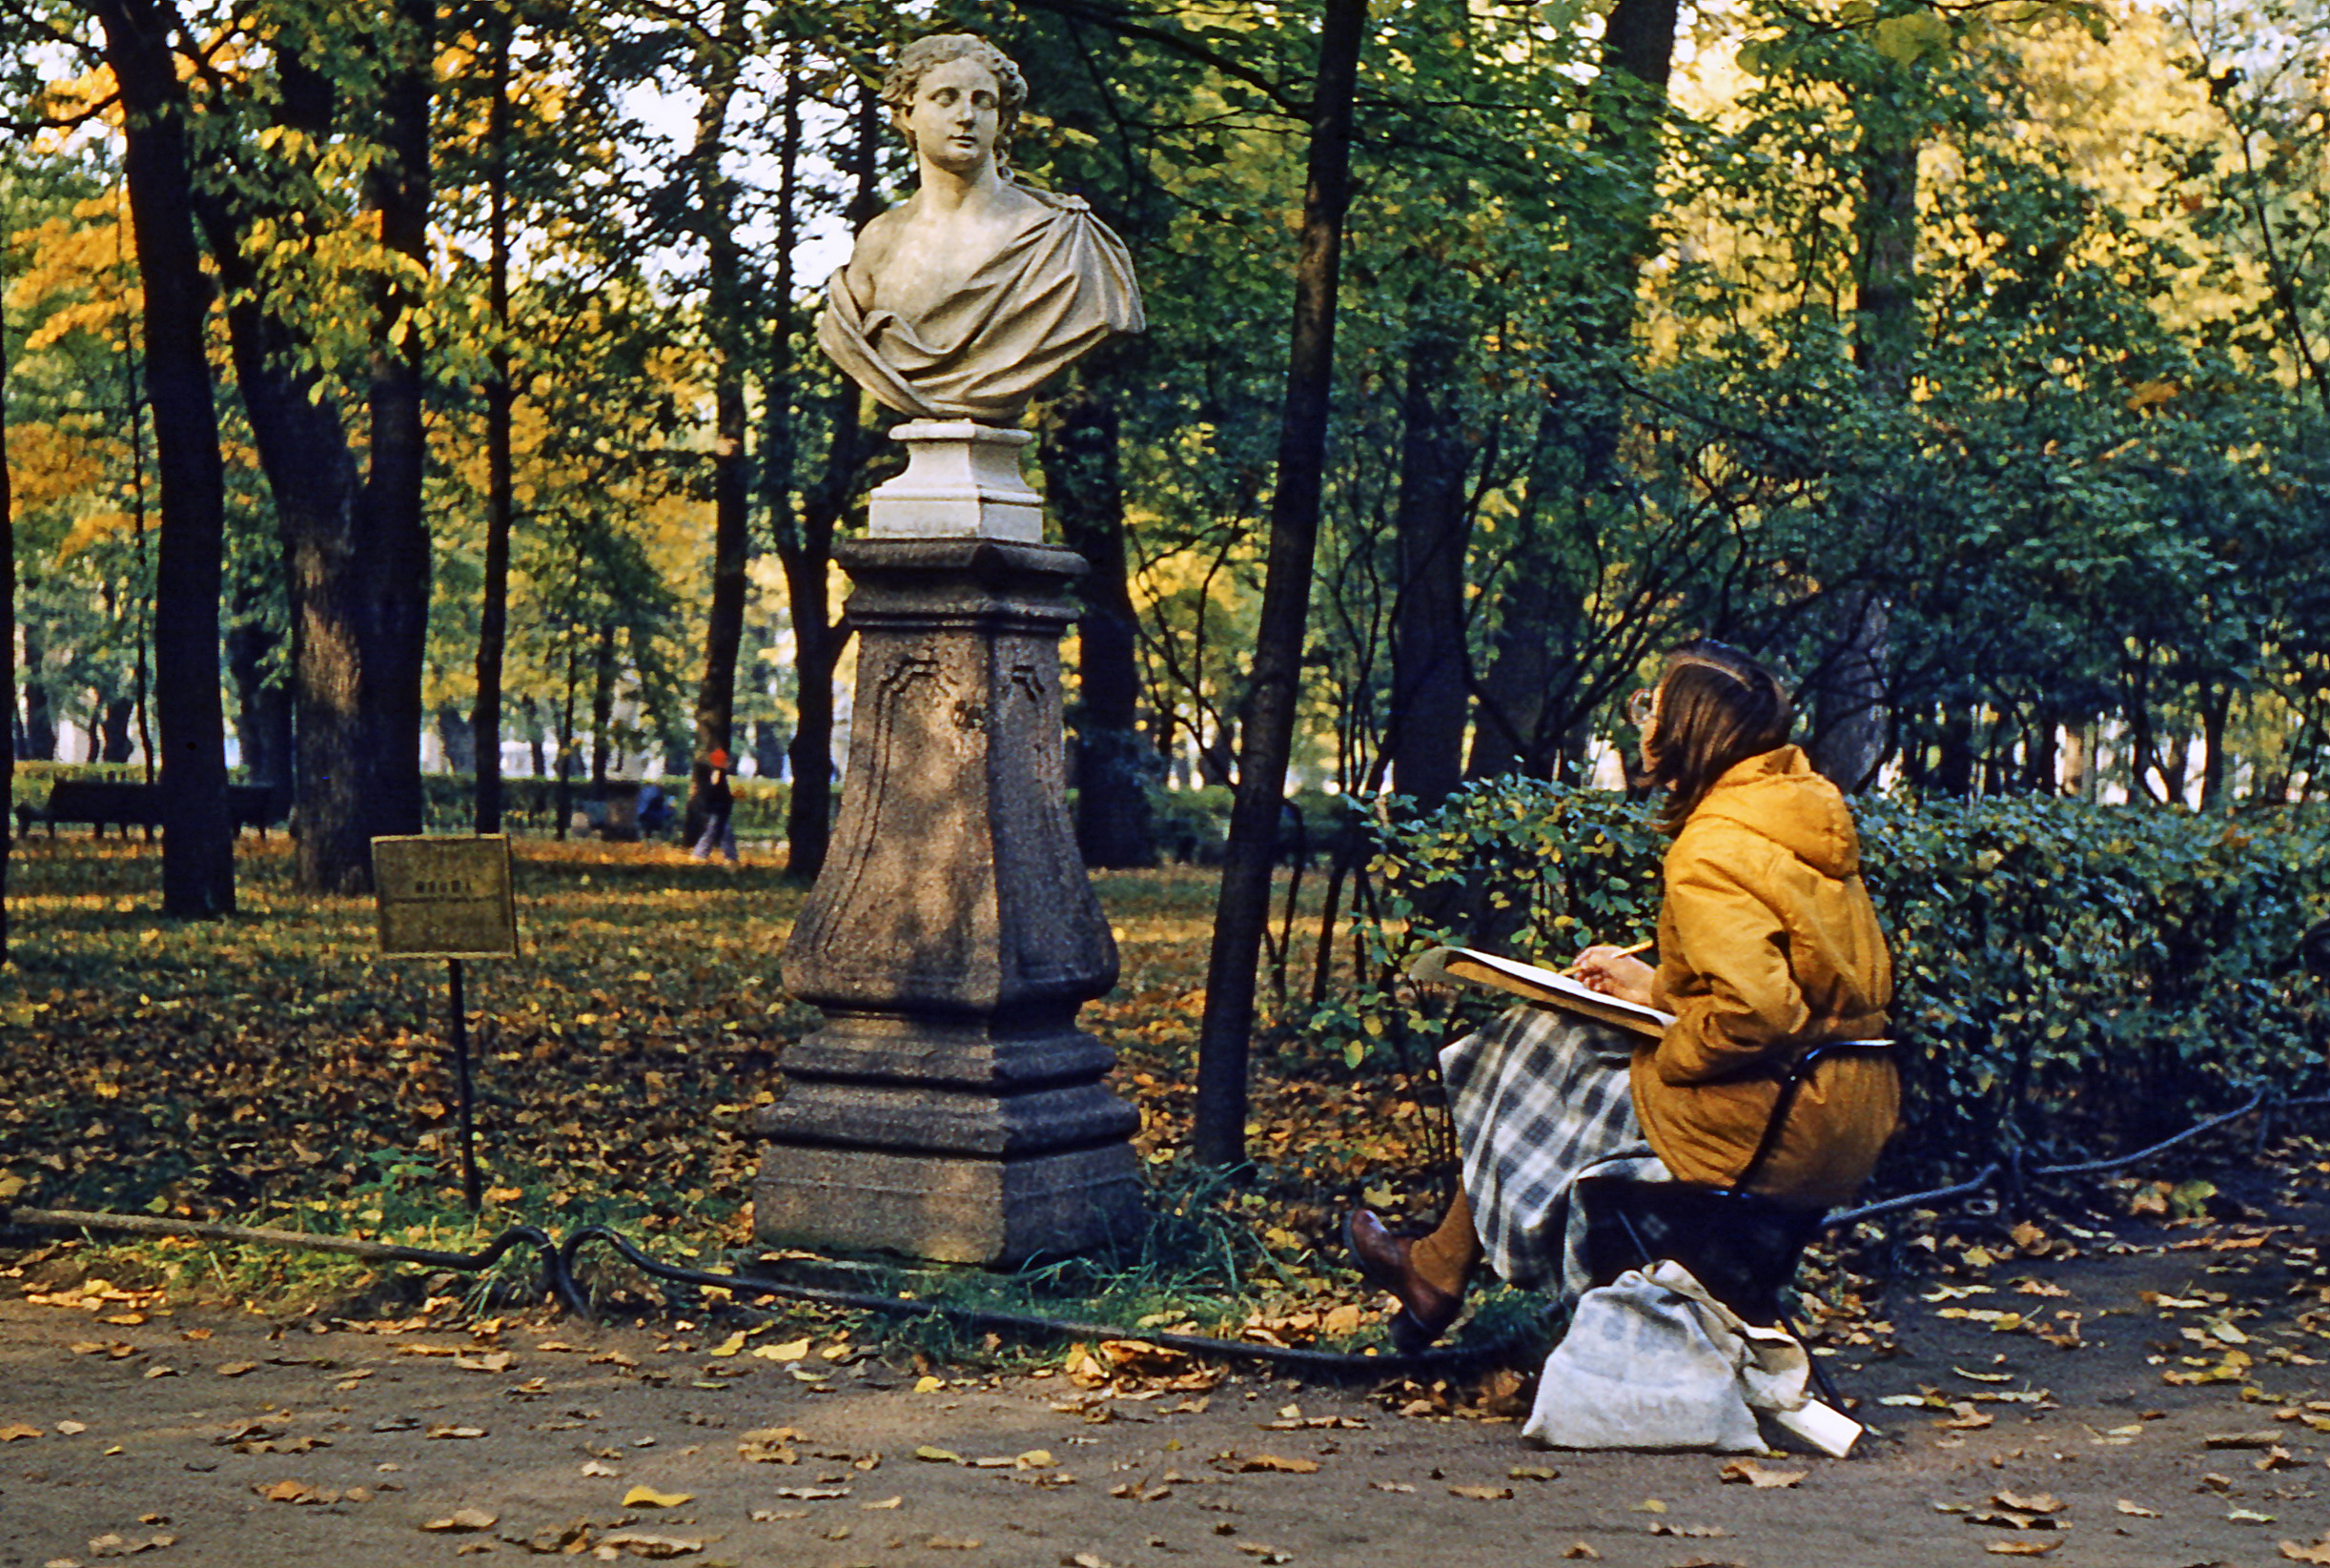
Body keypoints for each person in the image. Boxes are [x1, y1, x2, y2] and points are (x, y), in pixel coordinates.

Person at [1346, 641, 1897, 1346]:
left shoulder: (1712, 846)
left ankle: (1444, 1266)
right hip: (1845, 1109)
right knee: (1546, 1040)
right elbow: (1798, 986)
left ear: (1690, 729)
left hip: (1772, 1126)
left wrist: (1669, 1051)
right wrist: (1654, 986)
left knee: (1534, 1047)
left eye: (1652, 708)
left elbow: (1760, 1013)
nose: (1642, 727)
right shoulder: (1794, 818)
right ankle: (1436, 1268)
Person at [816, 32, 1144, 426]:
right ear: (907, 113)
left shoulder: (1064, 239)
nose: (966, 115)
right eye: (946, 98)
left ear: (1001, 118)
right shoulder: (878, 241)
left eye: (983, 101)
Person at [691, 749, 738, 865]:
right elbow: (715, 790)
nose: (728, 763)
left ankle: (730, 855)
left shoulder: (716, 773)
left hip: (719, 807)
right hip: (718, 808)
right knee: (715, 831)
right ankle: (700, 853)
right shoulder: (718, 773)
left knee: (721, 831)